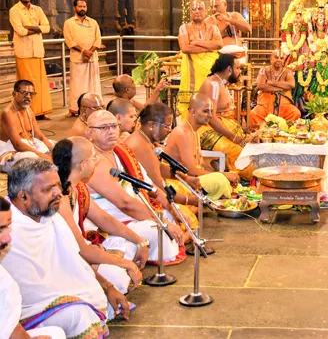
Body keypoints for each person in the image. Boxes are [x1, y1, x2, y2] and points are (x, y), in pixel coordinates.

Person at [2, 158, 130, 337]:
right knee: (79, 315)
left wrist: (108, 287)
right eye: (48, 189)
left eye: (57, 186)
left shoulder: (48, 215)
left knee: (115, 281)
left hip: (61, 295)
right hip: (27, 313)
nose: (58, 194)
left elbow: (76, 261)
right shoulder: (6, 227)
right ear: (23, 196)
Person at [83, 110, 184, 263]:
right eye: (104, 128)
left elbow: (150, 186)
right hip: (112, 224)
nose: (111, 131)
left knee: (174, 215)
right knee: (161, 232)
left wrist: (174, 210)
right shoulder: (91, 162)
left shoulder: (121, 152)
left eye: (114, 126)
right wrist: (163, 223)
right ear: (89, 132)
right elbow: (125, 204)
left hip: (139, 213)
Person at [51, 136, 146, 297]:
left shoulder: (77, 187)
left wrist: (141, 242)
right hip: (64, 260)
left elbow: (104, 219)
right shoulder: (59, 198)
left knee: (131, 246)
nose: (96, 161)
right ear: (83, 165)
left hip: (83, 251)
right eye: (93, 157)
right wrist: (126, 264)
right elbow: (81, 249)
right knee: (118, 278)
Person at [163, 97, 239, 200]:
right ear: (193, 111)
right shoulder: (183, 133)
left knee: (229, 181)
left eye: (211, 111)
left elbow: (202, 164)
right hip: (178, 183)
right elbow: (191, 171)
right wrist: (223, 175)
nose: (210, 115)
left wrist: (222, 175)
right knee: (220, 180)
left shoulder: (195, 131)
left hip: (194, 180)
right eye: (205, 111)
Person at [194, 54, 254, 181]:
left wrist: (243, 130)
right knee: (238, 151)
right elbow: (211, 118)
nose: (239, 72)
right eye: (238, 68)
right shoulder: (213, 84)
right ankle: (237, 180)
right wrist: (234, 137)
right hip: (206, 131)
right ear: (229, 70)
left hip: (220, 127)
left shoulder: (221, 83)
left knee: (252, 144)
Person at [7, 0, 52, 119]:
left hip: (37, 51)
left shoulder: (37, 9)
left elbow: (47, 27)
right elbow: (20, 31)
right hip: (24, 52)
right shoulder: (14, 10)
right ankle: (28, 113)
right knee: (26, 85)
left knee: (40, 84)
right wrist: (38, 29)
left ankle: (40, 113)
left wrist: (31, 28)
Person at [176, 0, 223, 113]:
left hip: (209, 70)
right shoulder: (184, 28)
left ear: (206, 12)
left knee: (211, 103)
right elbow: (185, 48)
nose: (197, 11)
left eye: (200, 8)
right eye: (193, 9)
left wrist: (196, 42)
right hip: (192, 71)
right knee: (192, 107)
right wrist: (208, 47)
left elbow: (219, 44)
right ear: (190, 12)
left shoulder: (213, 28)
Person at [62, 0, 103, 109]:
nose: (82, 8)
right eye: (80, 6)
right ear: (75, 8)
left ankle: (95, 105)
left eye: (84, 6)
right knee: (77, 85)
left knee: (93, 84)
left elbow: (98, 39)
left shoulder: (93, 22)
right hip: (77, 58)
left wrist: (89, 53)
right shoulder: (69, 23)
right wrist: (84, 51)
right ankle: (75, 108)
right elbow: (69, 41)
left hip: (91, 58)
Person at [249, 50, 301, 126]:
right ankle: (260, 134)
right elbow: (261, 85)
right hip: (265, 104)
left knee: (295, 113)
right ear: (271, 59)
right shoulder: (263, 70)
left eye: (281, 58)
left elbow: (291, 85)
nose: (279, 60)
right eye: (276, 57)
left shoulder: (288, 72)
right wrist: (281, 88)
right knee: (254, 114)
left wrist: (271, 83)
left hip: (284, 104)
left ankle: (285, 133)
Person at [0, 82, 50, 156]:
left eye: (31, 94)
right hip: (12, 150)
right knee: (33, 158)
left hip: (30, 145)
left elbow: (40, 136)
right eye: (24, 93)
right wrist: (44, 156)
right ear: (14, 94)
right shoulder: (7, 113)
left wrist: (56, 151)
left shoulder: (29, 111)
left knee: (58, 146)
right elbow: (17, 144)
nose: (28, 96)